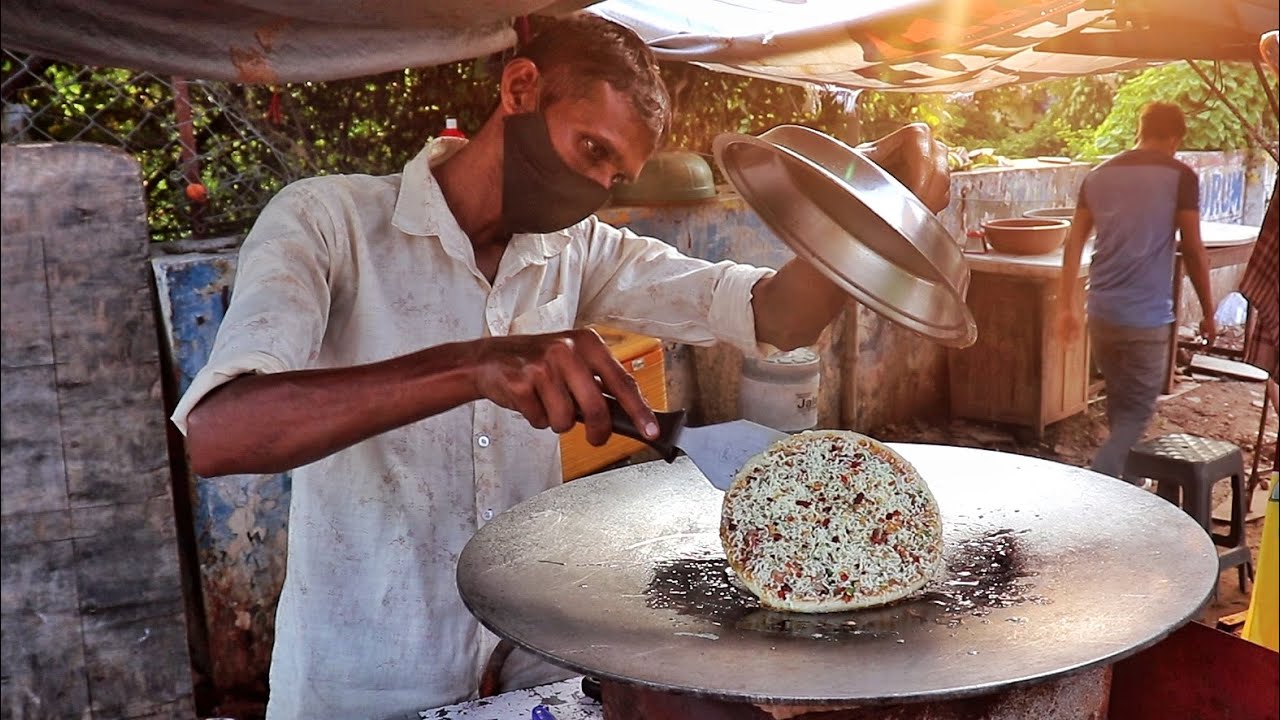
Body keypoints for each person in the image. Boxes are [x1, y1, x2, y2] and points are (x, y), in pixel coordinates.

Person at [171, 14, 950, 720]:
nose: (594, 189)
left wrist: (866, 202)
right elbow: (222, 433)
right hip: (365, 680)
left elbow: (775, 314)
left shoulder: (572, 252)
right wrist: (475, 365)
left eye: (614, 177)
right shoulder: (328, 222)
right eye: (591, 149)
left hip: (529, 666)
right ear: (520, 88)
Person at [1055, 101, 1216, 480]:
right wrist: (1209, 312)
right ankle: (1101, 484)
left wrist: (1068, 306)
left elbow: (1073, 243)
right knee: (1137, 414)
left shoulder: (1098, 176)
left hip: (1103, 311)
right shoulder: (1181, 176)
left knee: (1119, 404)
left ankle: (1128, 486)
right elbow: (1192, 249)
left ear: (1140, 131)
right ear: (1175, 138)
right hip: (1147, 317)